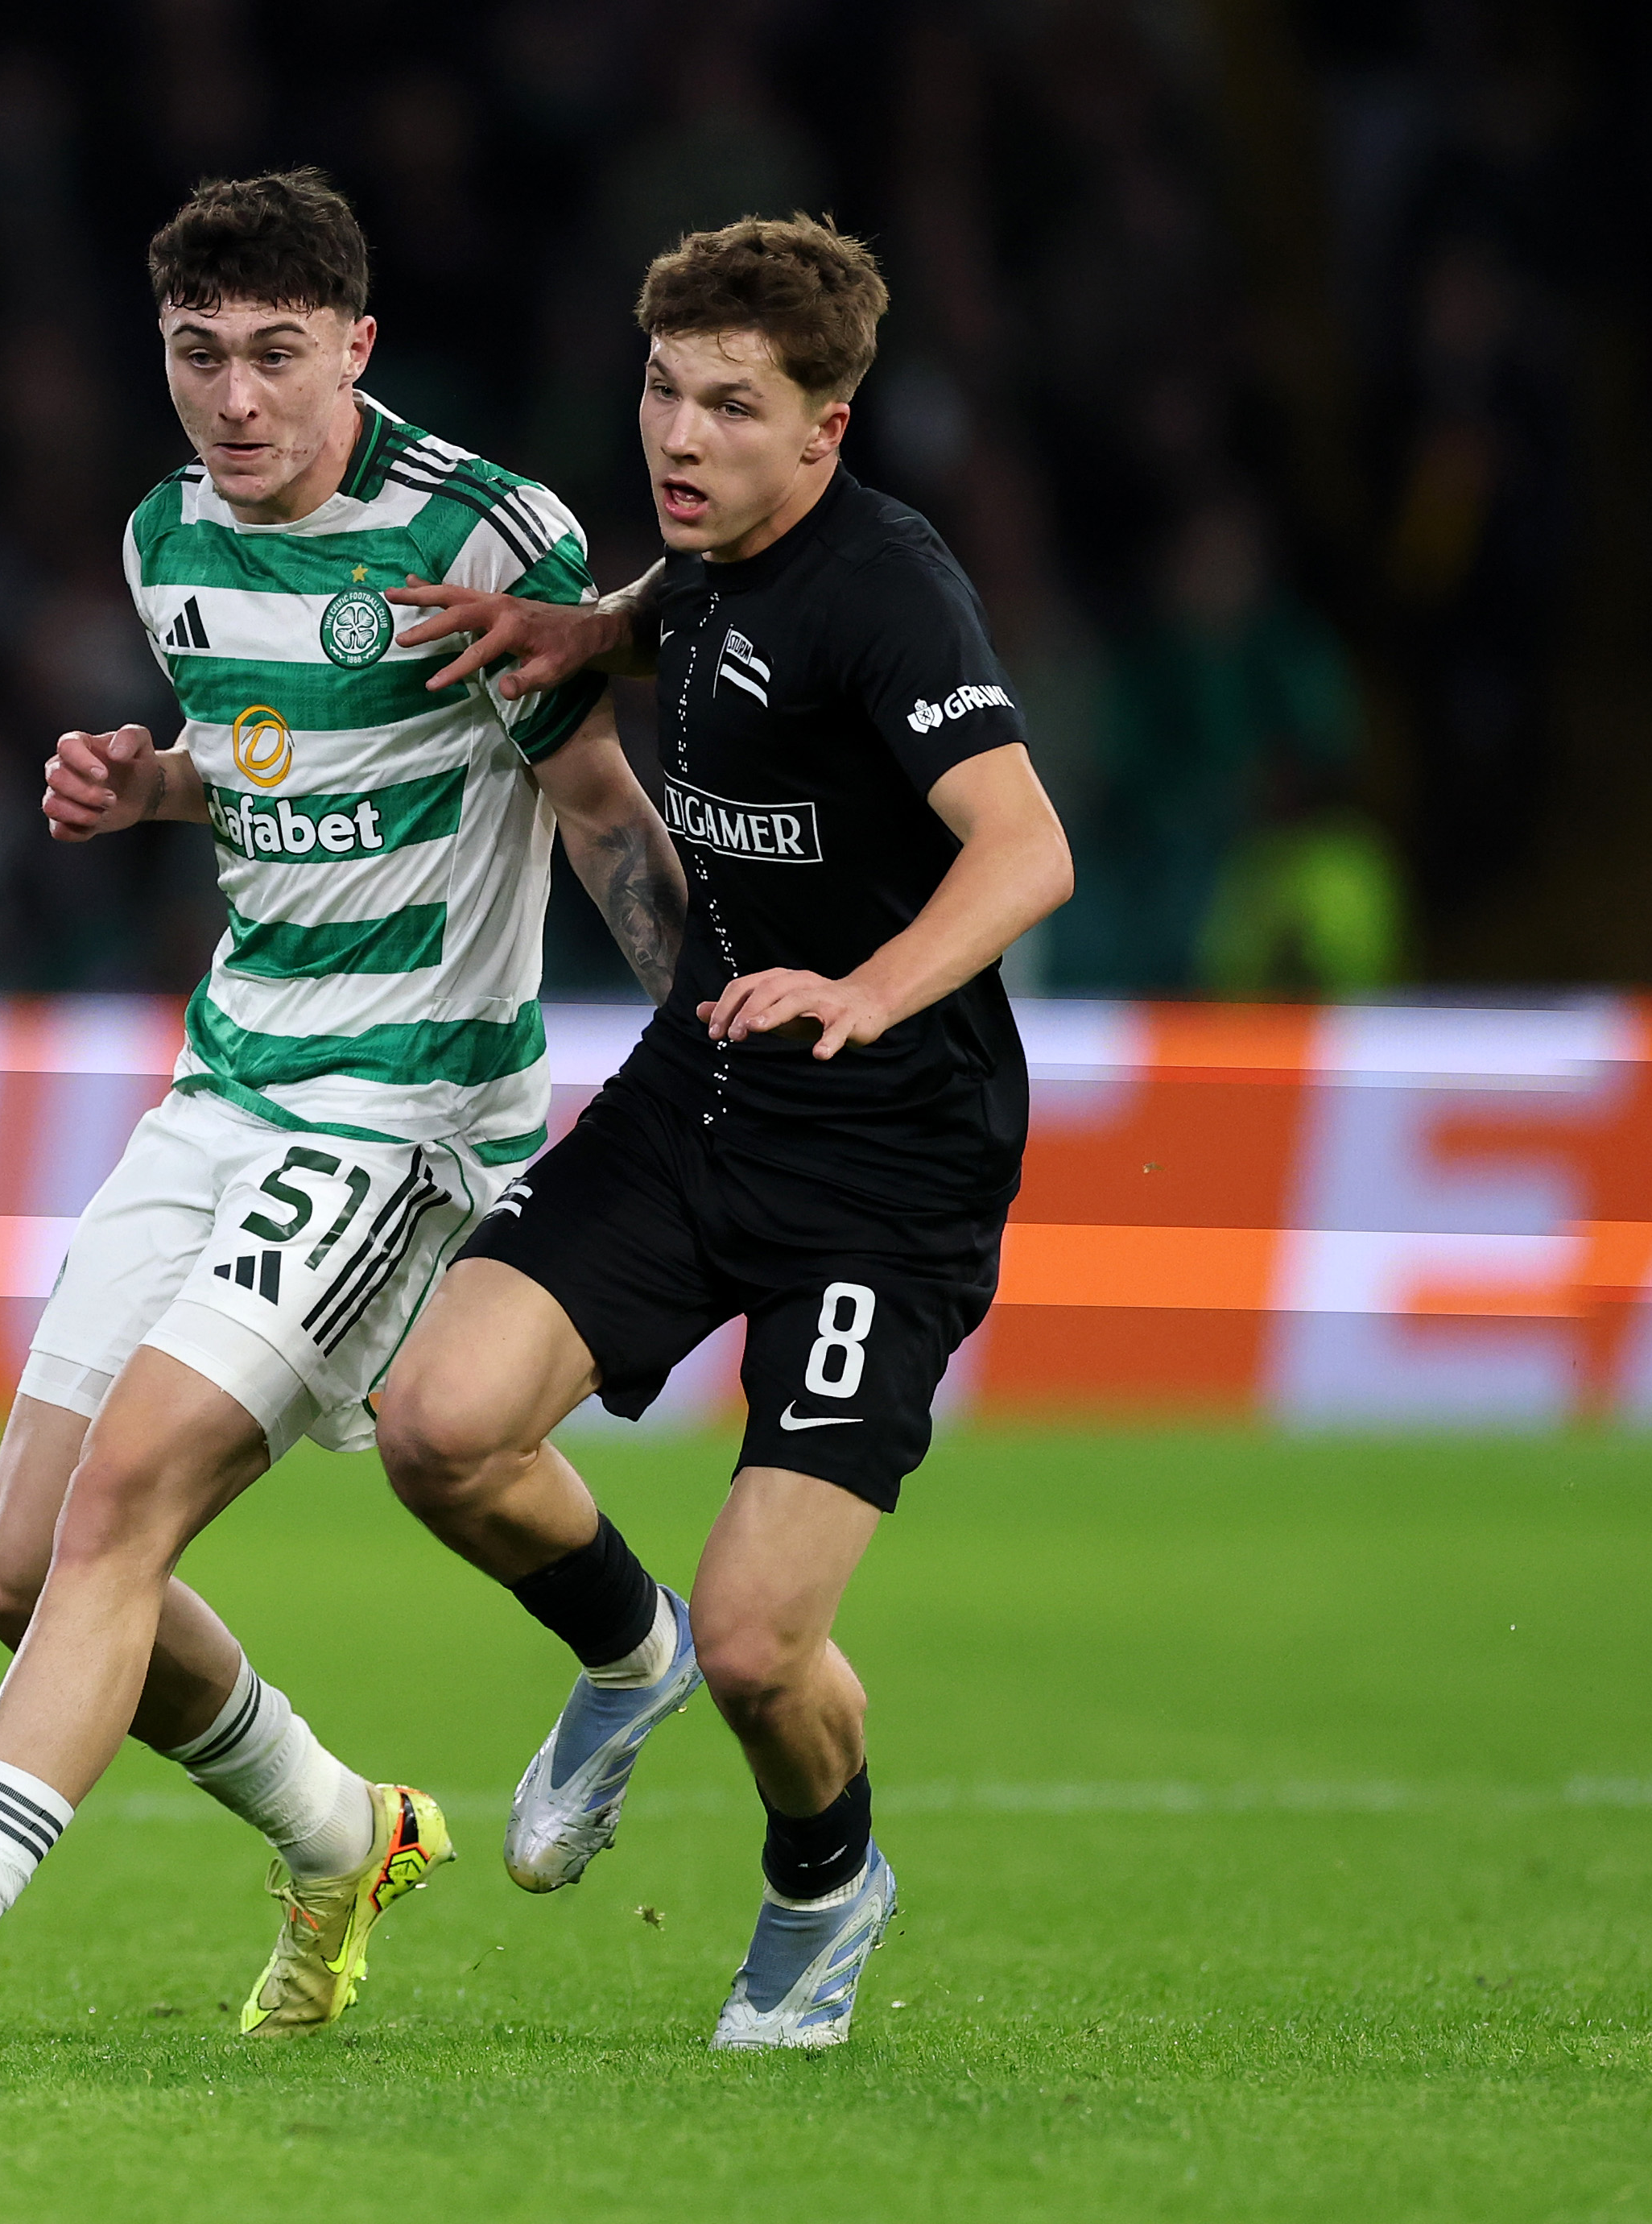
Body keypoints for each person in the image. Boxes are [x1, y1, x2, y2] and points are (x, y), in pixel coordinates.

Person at [0, 170, 684, 2065]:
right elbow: (263, 770)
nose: (235, 402)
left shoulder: (494, 533)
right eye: (197, 356)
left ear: (357, 351)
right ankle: (345, 1832)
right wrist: (144, 781)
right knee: (18, 1565)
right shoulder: (167, 537)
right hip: (222, 1081)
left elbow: (598, 812)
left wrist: (708, 1046)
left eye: (277, 359)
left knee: (124, 1511)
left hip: (401, 1114)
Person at [370, 214, 1075, 2052]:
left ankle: (826, 1880)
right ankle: (625, 1649)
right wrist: (578, 632)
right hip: (708, 1088)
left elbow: (1027, 847)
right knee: (436, 1423)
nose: (680, 437)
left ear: (825, 430)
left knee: (776, 1646)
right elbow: (681, 622)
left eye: (733, 407)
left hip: (888, 1160)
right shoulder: (699, 561)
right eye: (664, 390)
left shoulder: (890, 586)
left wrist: (872, 987)